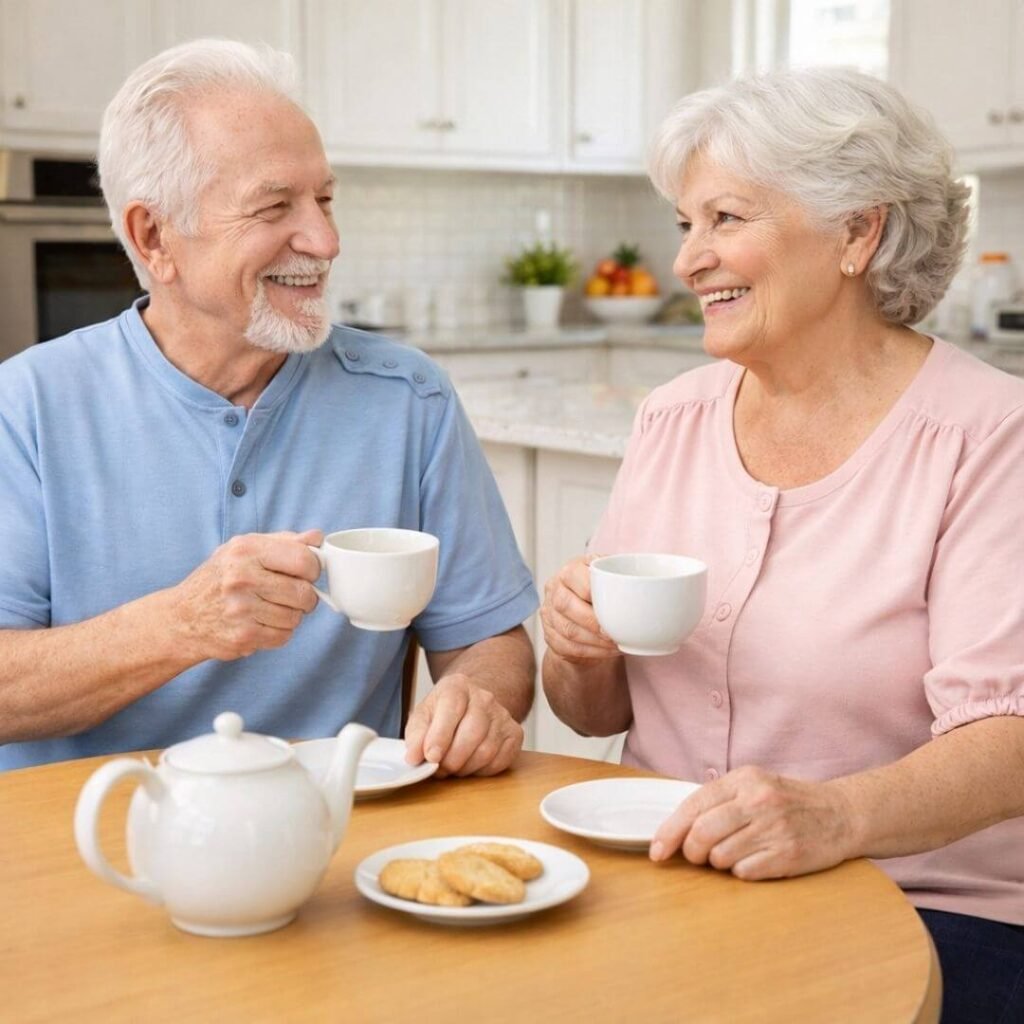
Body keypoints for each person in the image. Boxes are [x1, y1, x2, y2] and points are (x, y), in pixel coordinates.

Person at [540, 67, 1024, 1021]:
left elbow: (1009, 740)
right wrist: (576, 646)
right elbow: (593, 714)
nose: (688, 262)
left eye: (726, 219)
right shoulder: (672, 418)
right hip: (665, 877)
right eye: (687, 225)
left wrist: (835, 818)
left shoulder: (990, 436)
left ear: (858, 233)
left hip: (923, 904)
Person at [0, 39, 537, 778]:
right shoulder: (24, 408)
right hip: (86, 840)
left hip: (337, 832)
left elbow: (490, 641)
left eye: (324, 198)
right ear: (154, 237)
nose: (325, 240)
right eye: (274, 206)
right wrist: (180, 625)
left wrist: (477, 698)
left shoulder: (411, 400)